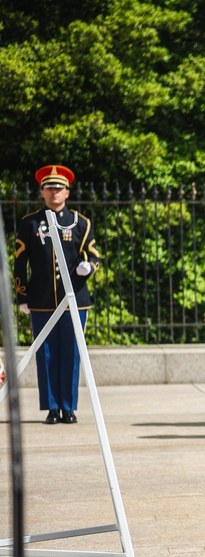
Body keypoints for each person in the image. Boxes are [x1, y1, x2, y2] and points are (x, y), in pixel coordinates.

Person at [14, 165, 100, 425]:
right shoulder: (29, 223)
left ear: (67, 192)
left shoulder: (80, 223)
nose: (54, 192)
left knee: (71, 353)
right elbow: (20, 262)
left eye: (59, 188)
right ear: (42, 192)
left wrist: (88, 268)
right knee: (47, 354)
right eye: (49, 188)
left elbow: (94, 256)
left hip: (74, 301)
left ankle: (69, 407)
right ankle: (52, 407)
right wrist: (22, 295)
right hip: (41, 301)